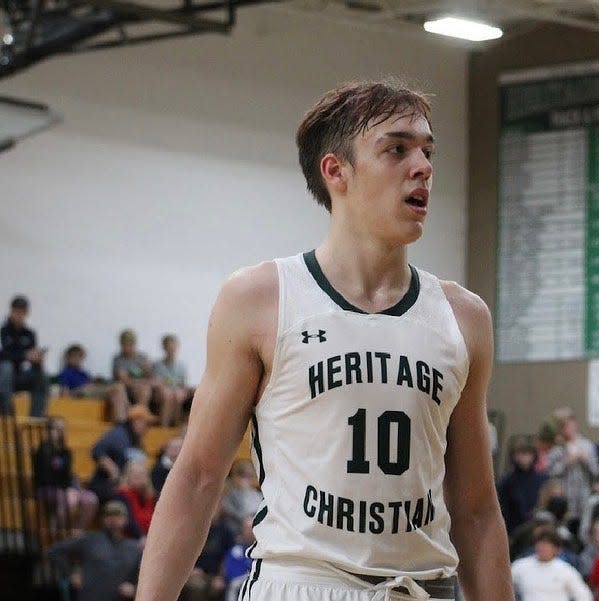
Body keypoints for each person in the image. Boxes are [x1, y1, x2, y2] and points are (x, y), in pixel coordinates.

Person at [136, 80, 513, 601]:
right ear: (336, 171)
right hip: (303, 584)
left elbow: (475, 509)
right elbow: (199, 477)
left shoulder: (463, 316)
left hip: (424, 586)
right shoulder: (260, 298)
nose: (422, 165)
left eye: (427, 150)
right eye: (397, 149)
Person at [48, 500, 142, 601]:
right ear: (103, 519)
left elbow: (142, 577)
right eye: (109, 515)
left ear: (126, 519)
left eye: (118, 515)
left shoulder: (134, 548)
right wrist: (71, 573)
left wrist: (135, 589)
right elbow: (54, 551)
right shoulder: (89, 540)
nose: (113, 519)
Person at [33, 416, 99, 533]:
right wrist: (67, 488)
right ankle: (53, 534)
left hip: (67, 488)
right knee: (69, 499)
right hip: (47, 488)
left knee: (91, 500)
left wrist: (73, 487)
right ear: (49, 431)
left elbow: (67, 475)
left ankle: (77, 534)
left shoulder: (66, 452)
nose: (60, 432)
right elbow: (44, 477)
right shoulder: (42, 450)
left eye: (63, 429)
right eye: (56, 429)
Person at [548, 407, 599, 533]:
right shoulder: (556, 448)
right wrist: (566, 462)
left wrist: (585, 460)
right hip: (564, 501)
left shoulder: (587, 446)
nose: (566, 429)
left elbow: (597, 472)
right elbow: (550, 474)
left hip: (583, 500)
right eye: (562, 426)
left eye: (568, 425)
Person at [88, 404, 156, 503]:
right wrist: (113, 471)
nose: (148, 429)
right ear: (136, 421)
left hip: (130, 485)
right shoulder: (118, 435)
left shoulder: (137, 441)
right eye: (146, 424)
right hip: (107, 485)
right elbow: (97, 450)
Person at [511, 527, 593, 601]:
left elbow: (584, 596)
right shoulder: (520, 566)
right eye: (540, 543)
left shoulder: (566, 570)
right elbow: (505, 587)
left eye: (547, 544)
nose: (543, 547)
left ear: (557, 549)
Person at [0, 295, 49, 416]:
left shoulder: (29, 334)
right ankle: (7, 413)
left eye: (22, 311)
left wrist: (37, 358)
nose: (19, 314)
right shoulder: (3, 332)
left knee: (40, 375)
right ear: (11, 311)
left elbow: (30, 357)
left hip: (19, 375)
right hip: (3, 376)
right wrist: (24, 355)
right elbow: (3, 355)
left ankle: (37, 417)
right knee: (6, 367)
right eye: (17, 310)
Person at [58, 343, 130, 422]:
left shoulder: (83, 373)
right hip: (82, 393)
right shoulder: (66, 372)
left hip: (92, 390)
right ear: (68, 357)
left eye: (80, 356)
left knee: (119, 389)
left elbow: (91, 383)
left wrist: (96, 381)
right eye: (75, 356)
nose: (78, 359)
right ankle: (122, 422)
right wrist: (81, 390)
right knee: (117, 387)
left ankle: (123, 419)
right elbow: (64, 394)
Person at [181, 503, 235, 601]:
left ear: (220, 510)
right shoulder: (193, 529)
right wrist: (191, 570)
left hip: (214, 575)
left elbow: (228, 556)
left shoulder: (225, 531)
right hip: (195, 573)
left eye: (216, 508)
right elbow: (183, 553)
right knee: (197, 586)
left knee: (219, 587)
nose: (213, 511)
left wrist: (220, 576)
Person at [497, 435, 548, 535]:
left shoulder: (543, 479)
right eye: (521, 453)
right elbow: (503, 511)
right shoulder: (507, 482)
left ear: (534, 455)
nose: (525, 457)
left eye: (528, 453)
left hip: (538, 532)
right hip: (513, 531)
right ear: (514, 455)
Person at [112, 329, 161, 414]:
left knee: (149, 388)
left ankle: (140, 415)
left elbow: (152, 376)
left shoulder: (142, 357)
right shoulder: (119, 359)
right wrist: (139, 382)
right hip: (127, 389)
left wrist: (147, 370)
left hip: (143, 386)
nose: (128, 347)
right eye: (125, 344)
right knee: (143, 389)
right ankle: (138, 416)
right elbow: (124, 379)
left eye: (131, 344)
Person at [153, 334, 194, 426]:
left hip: (177, 392)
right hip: (163, 393)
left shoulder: (181, 366)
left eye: (173, 347)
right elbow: (158, 383)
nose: (172, 350)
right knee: (168, 395)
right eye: (169, 347)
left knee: (177, 396)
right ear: (164, 348)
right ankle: (164, 426)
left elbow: (183, 384)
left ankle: (175, 426)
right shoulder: (158, 365)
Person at [114, 459, 158, 539]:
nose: (140, 479)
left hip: (152, 537)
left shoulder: (153, 496)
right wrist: (141, 536)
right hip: (131, 539)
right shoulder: (121, 495)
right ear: (128, 477)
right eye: (136, 476)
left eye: (142, 475)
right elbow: (128, 521)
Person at [221, 458, 264, 537]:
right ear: (235, 477)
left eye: (250, 476)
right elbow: (230, 513)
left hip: (254, 529)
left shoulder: (258, 494)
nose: (247, 481)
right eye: (244, 476)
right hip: (234, 530)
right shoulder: (228, 493)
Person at [223, 516, 255, 601]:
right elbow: (231, 572)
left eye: (252, 529)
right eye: (247, 529)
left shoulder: (262, 550)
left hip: (257, 581)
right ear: (242, 530)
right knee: (235, 585)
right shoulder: (236, 550)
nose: (250, 532)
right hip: (239, 582)